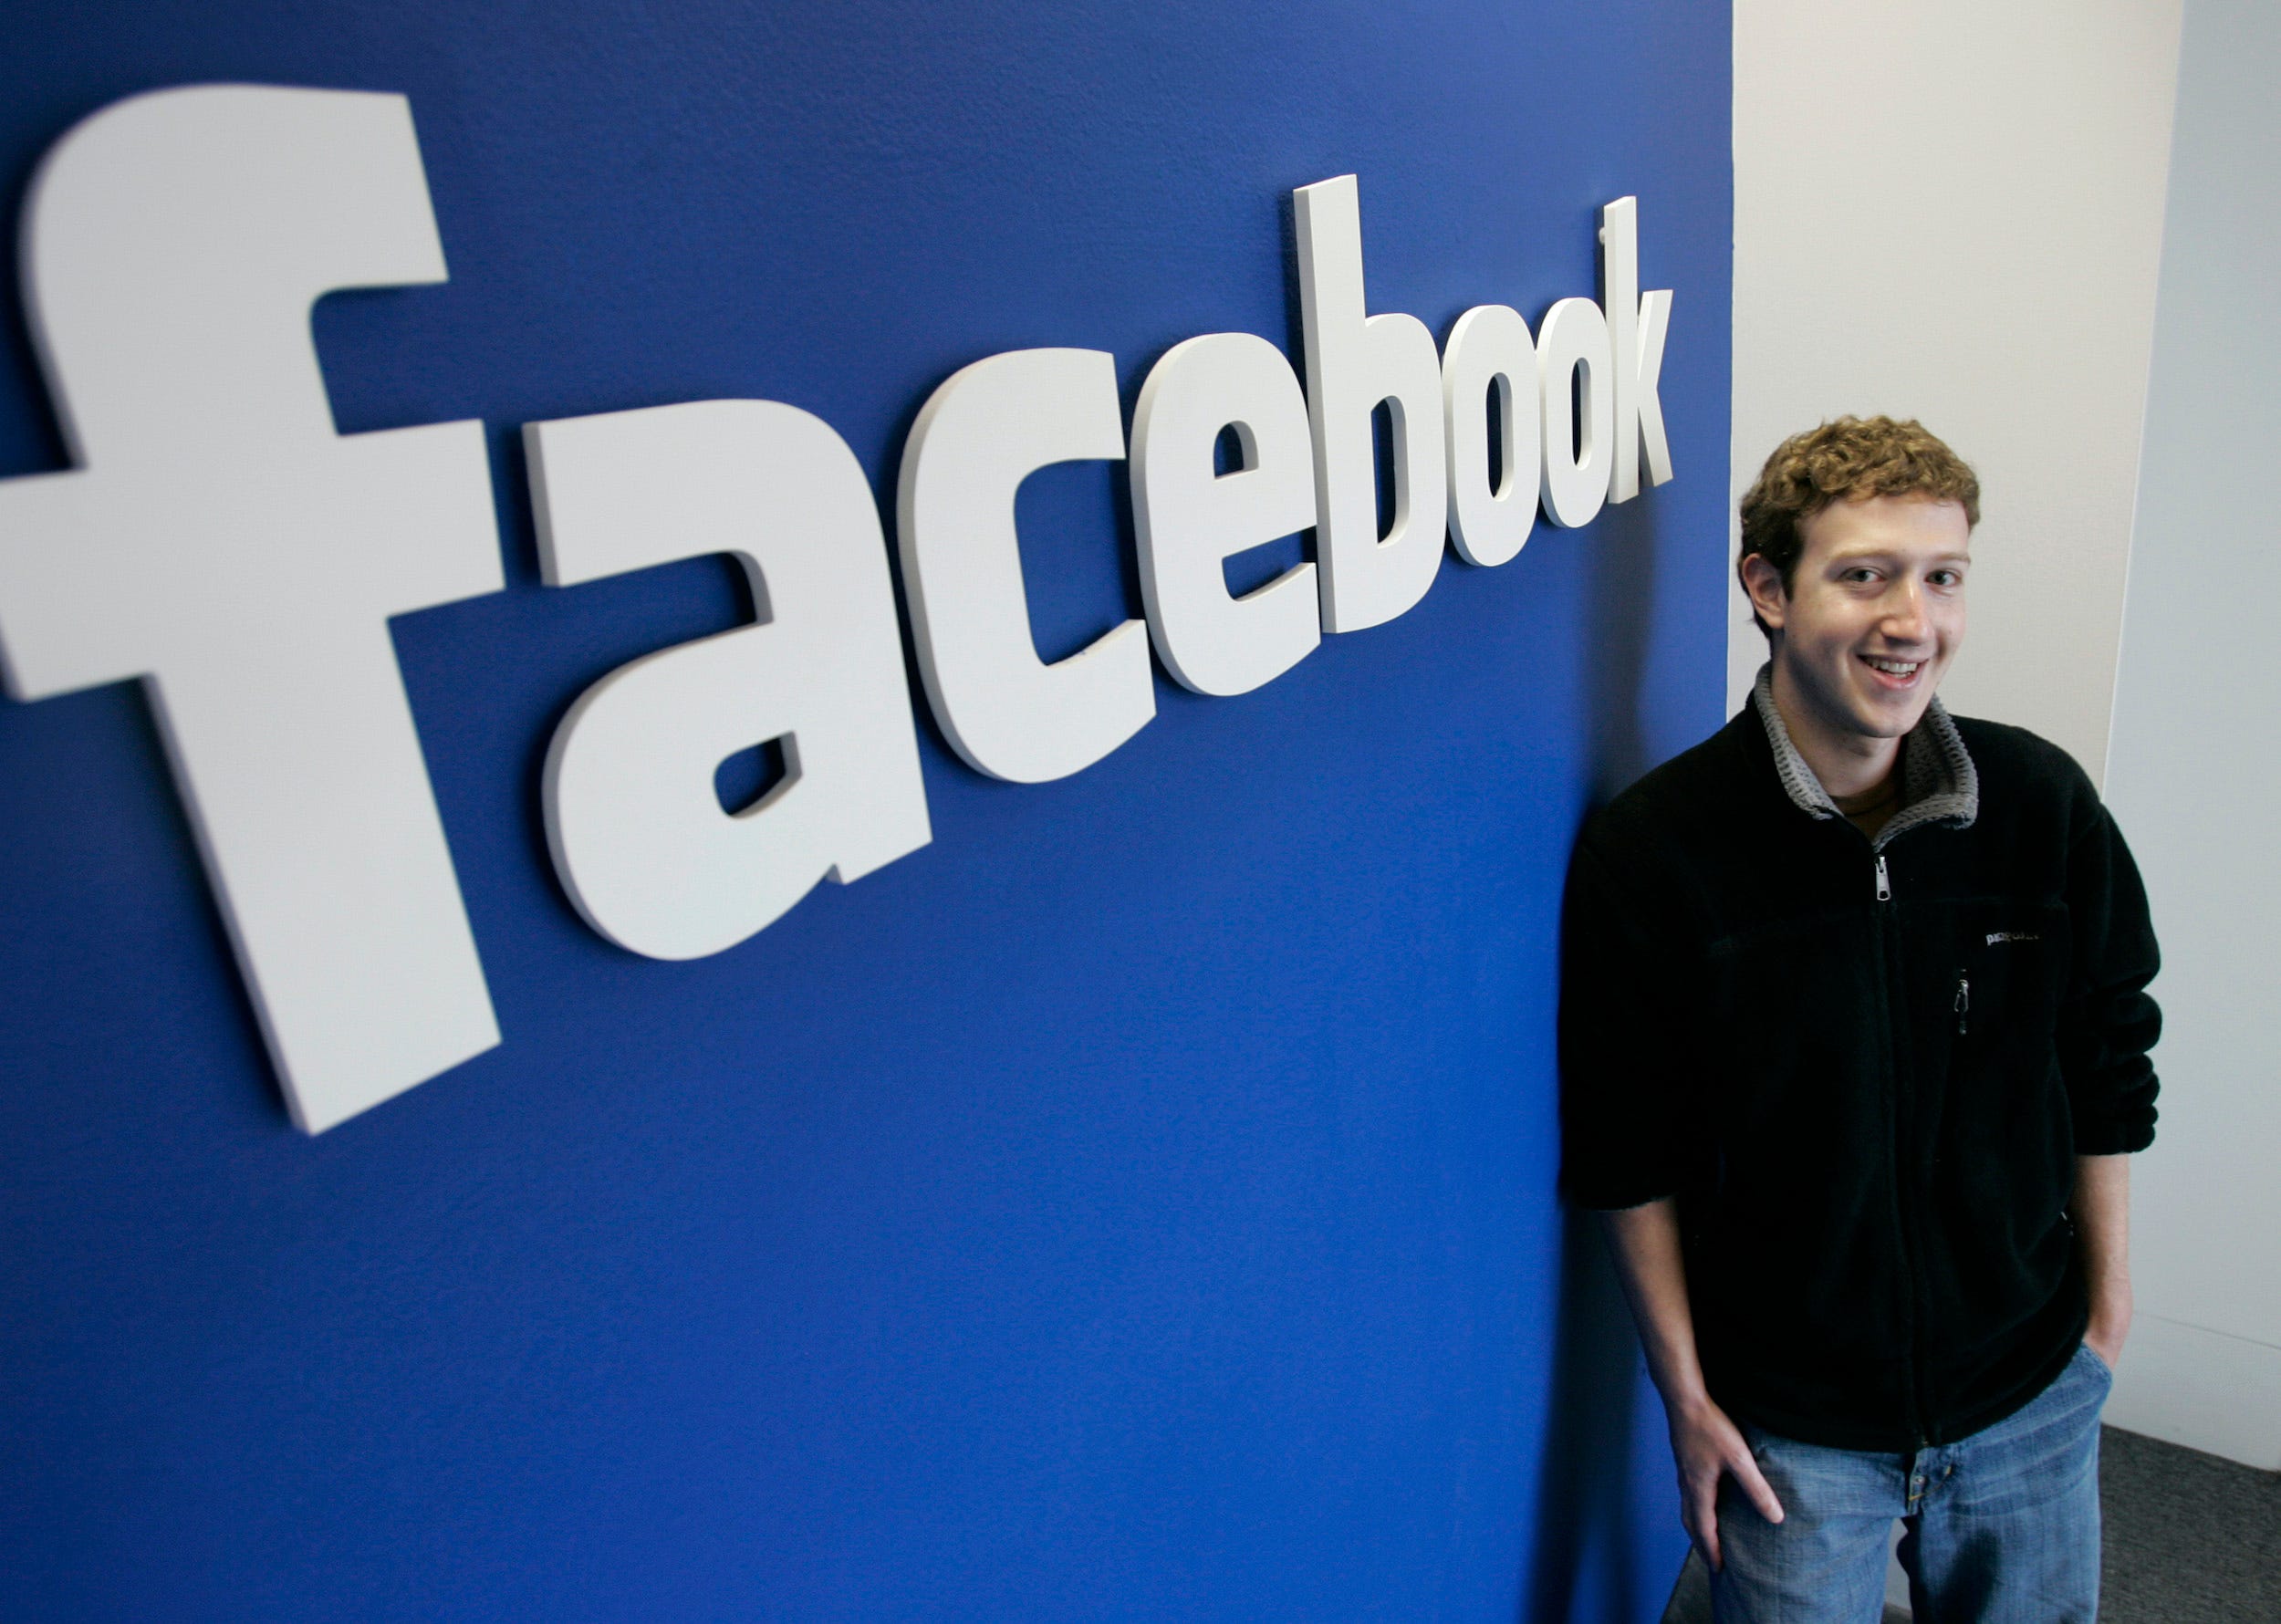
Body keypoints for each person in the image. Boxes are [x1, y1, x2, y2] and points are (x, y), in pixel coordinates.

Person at [1558, 416, 2160, 1623]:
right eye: (1865, 575)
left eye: (1942, 578)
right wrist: (1687, 1404)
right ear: (1768, 590)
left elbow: (2108, 1059)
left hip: (2028, 1387)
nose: (1912, 621)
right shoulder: (1657, 852)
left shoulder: (2041, 804)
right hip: (1793, 1427)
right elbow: (1630, 1158)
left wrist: (2103, 1317)